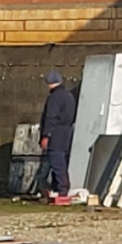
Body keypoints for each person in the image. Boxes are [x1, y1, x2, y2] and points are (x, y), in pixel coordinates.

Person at [39, 69, 76, 199]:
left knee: (56, 161)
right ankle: (57, 189)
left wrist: (46, 135)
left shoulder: (54, 98)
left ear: (49, 83)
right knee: (62, 161)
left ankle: (62, 190)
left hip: (56, 133)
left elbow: (51, 117)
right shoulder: (69, 96)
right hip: (67, 132)